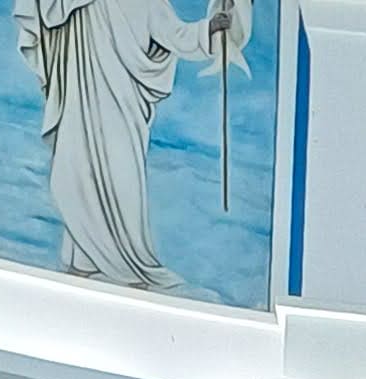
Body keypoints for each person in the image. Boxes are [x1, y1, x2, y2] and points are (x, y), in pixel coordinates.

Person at [15, 0, 244, 293]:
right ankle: (83, 260)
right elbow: (49, 11)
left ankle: (125, 267)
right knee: (79, 175)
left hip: (123, 112)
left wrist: (208, 29)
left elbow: (175, 34)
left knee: (122, 180)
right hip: (81, 108)